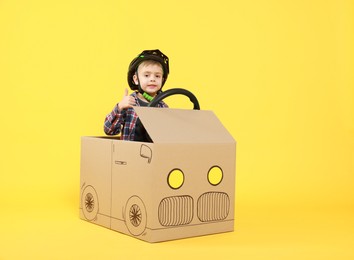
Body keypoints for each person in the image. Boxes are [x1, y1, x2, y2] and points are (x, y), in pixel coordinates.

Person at [104, 49, 169, 141]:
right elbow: (109, 130)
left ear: (162, 80)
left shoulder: (163, 107)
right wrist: (120, 107)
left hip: (153, 154)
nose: (152, 79)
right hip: (129, 153)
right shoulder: (129, 103)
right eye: (146, 75)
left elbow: (166, 137)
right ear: (136, 79)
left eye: (157, 76)